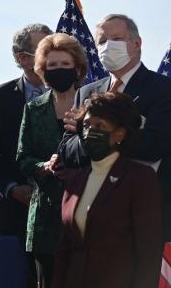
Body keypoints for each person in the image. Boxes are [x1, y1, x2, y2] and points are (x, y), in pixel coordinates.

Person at [58, 14, 171, 241]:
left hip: (143, 210)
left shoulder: (162, 89)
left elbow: (155, 145)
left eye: (116, 38)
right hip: (93, 209)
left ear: (137, 44)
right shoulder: (87, 92)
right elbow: (67, 149)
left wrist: (103, 138)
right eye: (101, 41)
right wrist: (96, 139)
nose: (107, 46)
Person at [53, 92, 163, 288]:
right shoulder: (75, 181)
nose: (90, 132)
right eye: (86, 126)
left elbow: (148, 251)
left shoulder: (139, 178)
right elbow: (65, 249)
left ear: (119, 134)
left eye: (99, 126)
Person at [0, 23, 52, 287]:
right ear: (22, 58)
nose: (52, 53)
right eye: (44, 48)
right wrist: (13, 188)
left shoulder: (73, 94)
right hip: (11, 213)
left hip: (58, 214)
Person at [16, 33, 87, 287]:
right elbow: (23, 158)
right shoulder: (33, 108)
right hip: (45, 217)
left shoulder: (90, 105)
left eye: (64, 65)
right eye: (52, 66)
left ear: (77, 68)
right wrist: (45, 166)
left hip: (86, 211)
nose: (58, 70)